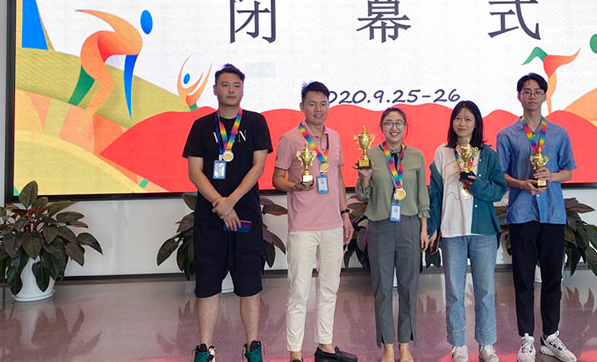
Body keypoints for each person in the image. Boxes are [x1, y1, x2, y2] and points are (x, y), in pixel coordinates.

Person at [182, 64, 273, 362]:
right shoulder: (201, 126)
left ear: (243, 90)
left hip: (245, 216)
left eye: (236, 85)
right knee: (207, 285)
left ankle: (252, 347)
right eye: (225, 84)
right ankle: (205, 349)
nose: (231, 90)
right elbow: (195, 172)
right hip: (210, 219)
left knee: (249, 284)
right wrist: (220, 205)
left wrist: (230, 201)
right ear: (215, 89)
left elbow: (258, 167)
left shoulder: (256, 123)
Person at [272, 82, 357, 362]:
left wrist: (345, 214)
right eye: (312, 104)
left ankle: (325, 346)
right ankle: (295, 352)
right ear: (302, 107)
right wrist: (294, 186)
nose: (318, 109)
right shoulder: (290, 139)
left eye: (323, 103)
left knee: (329, 288)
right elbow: (277, 178)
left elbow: (338, 177)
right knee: (299, 291)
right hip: (303, 227)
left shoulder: (335, 137)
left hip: (333, 224)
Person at [496, 73, 578, 362]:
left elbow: (569, 171)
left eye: (537, 91)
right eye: (526, 91)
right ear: (519, 96)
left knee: (553, 278)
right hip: (522, 214)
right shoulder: (507, 135)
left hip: (552, 214)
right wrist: (521, 184)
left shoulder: (558, 133)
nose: (532, 96)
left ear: (545, 95)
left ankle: (550, 336)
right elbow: (501, 174)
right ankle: (527, 339)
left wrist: (551, 176)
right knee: (523, 280)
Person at [427, 101, 506, 362]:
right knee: (454, 292)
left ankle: (486, 344)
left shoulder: (487, 154)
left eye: (468, 119)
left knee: (485, 291)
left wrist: (476, 184)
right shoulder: (442, 152)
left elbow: (498, 190)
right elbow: (435, 194)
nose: (462, 123)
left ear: (476, 124)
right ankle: (458, 344)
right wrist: (433, 227)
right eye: (458, 118)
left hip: (483, 231)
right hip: (452, 231)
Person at [354, 107, 429, 362]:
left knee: (409, 288)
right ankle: (387, 345)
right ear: (381, 127)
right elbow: (363, 195)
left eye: (398, 123)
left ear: (405, 126)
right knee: (382, 289)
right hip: (380, 227)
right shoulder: (371, 154)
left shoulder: (416, 156)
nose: (394, 127)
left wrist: (424, 228)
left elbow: (422, 196)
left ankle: (404, 345)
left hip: (409, 225)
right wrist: (365, 178)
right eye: (388, 123)